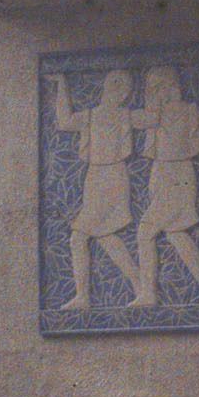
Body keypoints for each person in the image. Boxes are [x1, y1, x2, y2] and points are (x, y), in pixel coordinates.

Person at [133, 62, 199, 307]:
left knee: (145, 232)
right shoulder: (154, 116)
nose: (154, 93)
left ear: (170, 86)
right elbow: (129, 119)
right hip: (163, 173)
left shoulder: (186, 111)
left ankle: (148, 294)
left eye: (157, 87)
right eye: (151, 89)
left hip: (179, 175)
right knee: (175, 233)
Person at [54, 69, 142, 308]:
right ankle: (140, 285)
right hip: (95, 177)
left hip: (114, 177)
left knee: (79, 237)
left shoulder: (126, 115)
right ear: (106, 87)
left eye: (124, 89)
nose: (120, 93)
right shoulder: (90, 116)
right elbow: (64, 122)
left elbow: (154, 118)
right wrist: (62, 83)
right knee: (105, 236)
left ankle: (83, 296)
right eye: (115, 86)